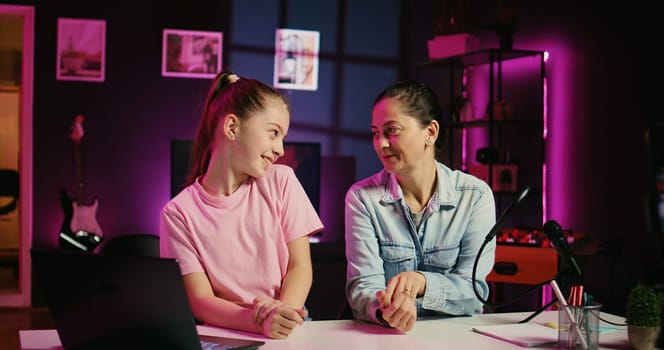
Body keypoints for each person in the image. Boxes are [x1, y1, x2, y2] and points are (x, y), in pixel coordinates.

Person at [160, 71, 323, 339]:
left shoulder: (282, 180)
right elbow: (199, 300)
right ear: (232, 127)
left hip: (287, 324)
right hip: (227, 334)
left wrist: (282, 313)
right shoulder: (178, 214)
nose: (281, 149)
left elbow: (300, 266)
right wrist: (258, 321)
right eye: (273, 133)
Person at [344, 80, 496, 332]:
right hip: (388, 338)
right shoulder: (362, 198)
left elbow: (474, 291)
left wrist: (422, 282)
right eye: (375, 133)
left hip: (457, 339)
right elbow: (363, 289)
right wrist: (387, 308)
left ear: (431, 132)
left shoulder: (475, 196)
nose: (381, 143)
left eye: (392, 130)